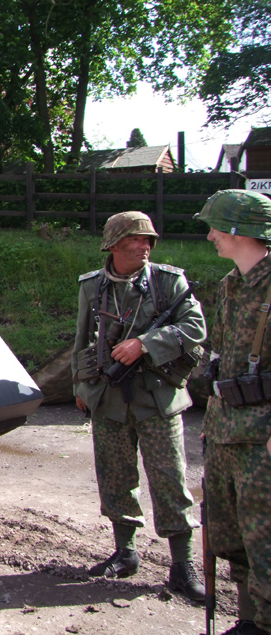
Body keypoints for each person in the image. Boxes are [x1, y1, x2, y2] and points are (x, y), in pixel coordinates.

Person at [71, 211, 207, 601]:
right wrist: (81, 385)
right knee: (114, 476)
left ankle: (182, 566)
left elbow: (195, 327)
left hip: (158, 398)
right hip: (108, 397)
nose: (145, 246)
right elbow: (81, 341)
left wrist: (145, 344)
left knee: (170, 480)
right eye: (136, 239)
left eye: (149, 240)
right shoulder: (92, 287)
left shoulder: (168, 282)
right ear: (114, 245)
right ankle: (125, 553)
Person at [195, 189, 271, 635]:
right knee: (232, 537)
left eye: (216, 228)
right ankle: (248, 620)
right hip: (226, 431)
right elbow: (221, 359)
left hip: (261, 439)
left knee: (266, 541)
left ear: (239, 231)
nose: (209, 237)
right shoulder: (231, 285)